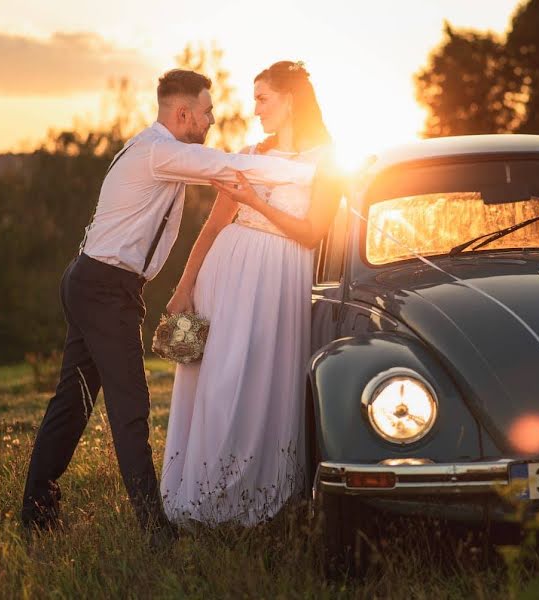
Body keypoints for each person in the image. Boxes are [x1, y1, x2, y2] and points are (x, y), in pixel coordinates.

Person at [21, 69, 316, 548]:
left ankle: (36, 510)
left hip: (94, 281)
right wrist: (307, 172)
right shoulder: (162, 152)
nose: (213, 118)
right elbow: (227, 168)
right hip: (104, 289)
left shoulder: (154, 149)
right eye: (207, 111)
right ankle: (156, 531)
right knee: (131, 408)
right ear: (183, 114)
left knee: (72, 401)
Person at [159, 60, 342, 526]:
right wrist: (185, 285)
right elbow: (216, 221)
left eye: (263, 98)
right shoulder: (248, 151)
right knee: (218, 379)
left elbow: (311, 232)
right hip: (228, 269)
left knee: (262, 376)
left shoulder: (327, 159)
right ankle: (203, 490)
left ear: (291, 100)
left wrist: (255, 200)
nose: (255, 109)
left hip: (280, 275)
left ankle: (258, 492)